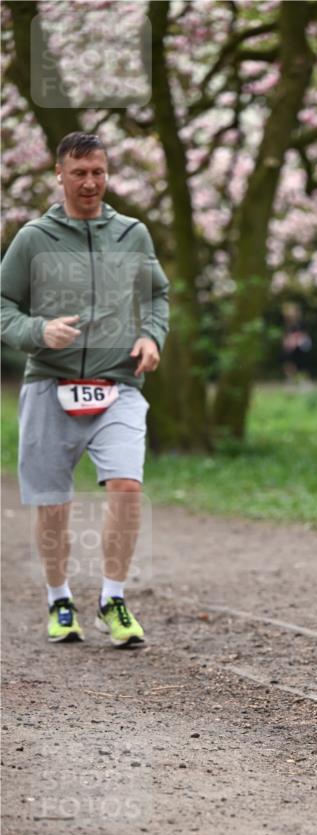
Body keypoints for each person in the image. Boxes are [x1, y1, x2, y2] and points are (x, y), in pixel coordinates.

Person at [1, 132, 169, 647]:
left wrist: (151, 335)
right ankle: (59, 601)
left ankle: (113, 599)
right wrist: (38, 332)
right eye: (79, 173)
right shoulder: (33, 238)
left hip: (118, 384)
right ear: (59, 175)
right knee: (53, 502)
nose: (90, 182)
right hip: (51, 386)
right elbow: (3, 305)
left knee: (126, 485)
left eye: (98, 172)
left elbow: (157, 296)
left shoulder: (133, 235)